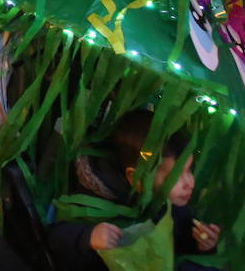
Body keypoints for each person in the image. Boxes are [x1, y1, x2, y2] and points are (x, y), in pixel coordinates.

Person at [45, 111, 221, 268]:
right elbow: (54, 238)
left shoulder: (171, 205)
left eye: (189, 170)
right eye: (174, 177)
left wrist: (200, 244)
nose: (189, 183)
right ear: (136, 178)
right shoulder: (95, 196)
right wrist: (88, 236)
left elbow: (176, 239)